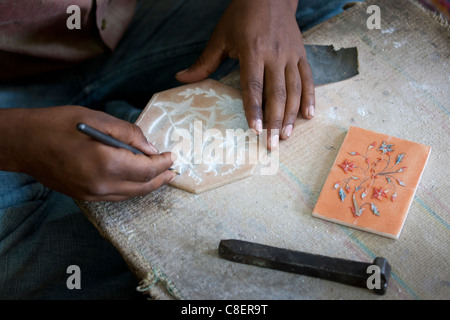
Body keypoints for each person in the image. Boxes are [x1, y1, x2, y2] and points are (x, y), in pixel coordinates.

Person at [0, 0, 361, 299]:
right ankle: (130, 120)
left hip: (104, 23)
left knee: (314, 9)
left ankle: (133, 117)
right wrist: (20, 141)